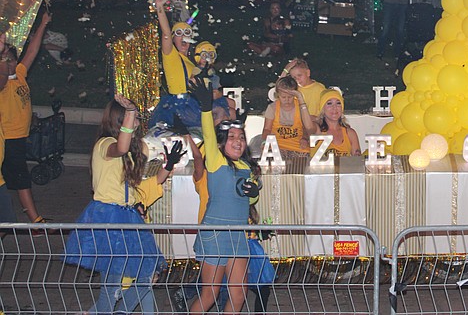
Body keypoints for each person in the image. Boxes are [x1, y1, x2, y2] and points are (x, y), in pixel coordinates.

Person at [64, 94, 184, 314]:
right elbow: (120, 147)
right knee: (112, 285)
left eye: (136, 117)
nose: (137, 121)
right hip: (109, 217)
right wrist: (130, 112)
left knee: (148, 274)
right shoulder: (105, 144)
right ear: (121, 119)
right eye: (134, 117)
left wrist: (168, 166)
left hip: (127, 216)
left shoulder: (129, 153)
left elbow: (141, 187)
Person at [188, 79, 262, 315]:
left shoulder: (246, 167)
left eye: (241, 137)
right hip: (215, 233)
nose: (238, 142)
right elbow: (208, 135)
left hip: (238, 235)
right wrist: (205, 108)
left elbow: (247, 199)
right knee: (210, 294)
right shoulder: (216, 161)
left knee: (239, 295)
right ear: (221, 142)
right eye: (231, 137)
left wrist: (254, 194)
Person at [0, 12, 50, 224]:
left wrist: (43, 24)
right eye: (5, 60)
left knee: (16, 178)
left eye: (11, 60)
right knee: (22, 179)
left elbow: (32, 51)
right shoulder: (2, 84)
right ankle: (35, 221)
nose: (10, 64)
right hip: (8, 138)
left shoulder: (19, 74)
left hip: (20, 137)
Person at [148, 0, 201, 128]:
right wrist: (160, 7)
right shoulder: (171, 55)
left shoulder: (192, 61)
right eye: (178, 33)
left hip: (192, 107)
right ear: (173, 39)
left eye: (187, 33)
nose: (183, 37)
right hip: (177, 108)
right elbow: (166, 33)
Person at [262, 75, 316, 158]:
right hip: (277, 146)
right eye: (283, 97)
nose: (287, 100)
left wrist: (305, 138)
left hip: (298, 146)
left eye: (290, 97)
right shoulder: (272, 108)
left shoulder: (300, 107)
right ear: (278, 95)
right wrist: (265, 142)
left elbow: (306, 127)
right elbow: (267, 129)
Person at [193, 41, 237, 124]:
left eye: (211, 55)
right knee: (222, 111)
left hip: (215, 96)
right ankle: (216, 127)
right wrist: (200, 77)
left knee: (232, 103)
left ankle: (233, 126)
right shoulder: (197, 70)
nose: (207, 59)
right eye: (204, 56)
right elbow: (193, 82)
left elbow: (217, 84)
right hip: (204, 99)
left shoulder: (211, 71)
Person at [315, 89, 361, 157]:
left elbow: (357, 161)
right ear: (322, 109)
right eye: (329, 103)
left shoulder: (350, 133)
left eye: (338, 103)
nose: (334, 108)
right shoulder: (316, 130)